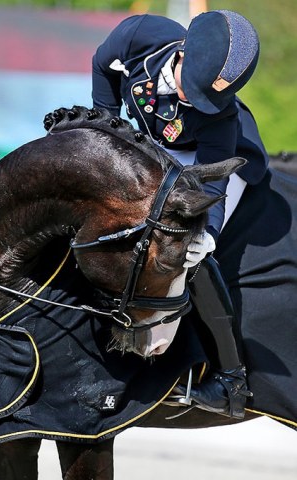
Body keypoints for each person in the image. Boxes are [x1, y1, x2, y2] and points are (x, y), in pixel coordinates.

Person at [92, 10, 269, 419]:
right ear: (183, 53)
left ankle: (230, 377)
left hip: (220, 162)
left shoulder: (219, 115)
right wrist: (108, 127)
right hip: (154, 143)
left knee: (190, 247)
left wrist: (204, 235)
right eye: (194, 89)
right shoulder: (140, 36)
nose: (197, 102)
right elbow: (103, 64)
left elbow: (213, 188)